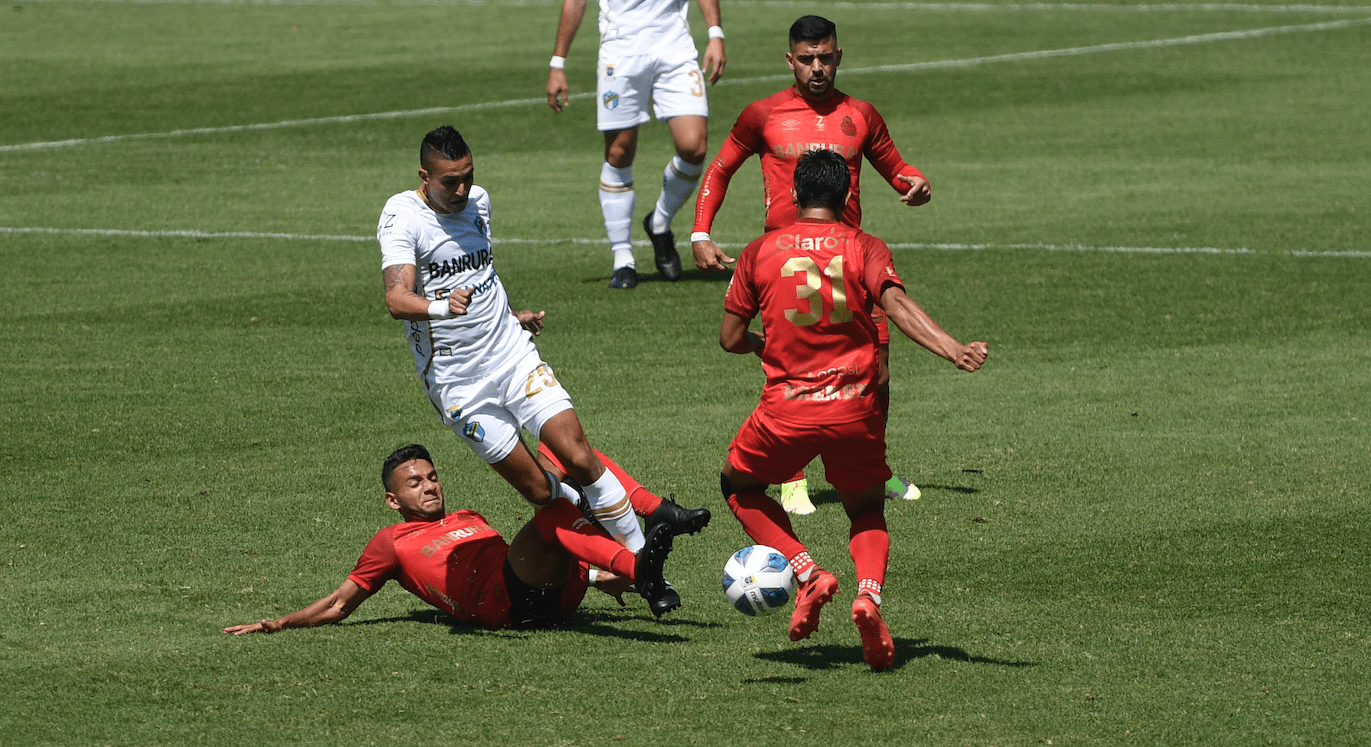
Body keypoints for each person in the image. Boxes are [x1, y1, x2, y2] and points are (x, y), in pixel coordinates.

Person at [376, 126, 707, 616]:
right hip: (458, 382)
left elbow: (483, 276)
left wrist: (511, 317)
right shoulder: (402, 216)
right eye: (450, 182)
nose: (462, 191)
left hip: (511, 354)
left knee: (577, 453)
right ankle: (616, 517)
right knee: (539, 491)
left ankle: (644, 571)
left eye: (468, 178)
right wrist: (444, 307)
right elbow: (396, 299)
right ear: (424, 177)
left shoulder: (479, 203)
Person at [716, 149, 987, 671]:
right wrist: (954, 350)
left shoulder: (758, 252)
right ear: (846, 198)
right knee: (864, 509)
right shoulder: (865, 246)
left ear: (793, 195)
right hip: (854, 411)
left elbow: (730, 339)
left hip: (786, 412)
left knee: (740, 487)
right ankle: (868, 597)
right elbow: (897, 306)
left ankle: (807, 571)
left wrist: (763, 344)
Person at [691, 14, 932, 513]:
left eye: (825, 57)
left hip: (849, 261)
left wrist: (916, 182)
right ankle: (791, 478)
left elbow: (895, 166)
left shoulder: (861, 114)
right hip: (784, 267)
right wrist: (700, 232)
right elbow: (719, 168)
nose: (817, 68)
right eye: (806, 59)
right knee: (789, 368)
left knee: (878, 372)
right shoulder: (763, 113)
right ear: (790, 60)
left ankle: (874, 470)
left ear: (839, 55)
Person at [223, 445, 679, 635]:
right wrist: (278, 623)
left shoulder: (467, 516)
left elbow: (550, 551)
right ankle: (639, 562)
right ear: (392, 499)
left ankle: (649, 523)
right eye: (415, 482)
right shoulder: (392, 541)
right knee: (550, 512)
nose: (429, 486)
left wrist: (599, 578)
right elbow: (339, 604)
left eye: (433, 476)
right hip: (511, 607)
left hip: (559, 596)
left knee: (560, 447)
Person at [546, 0, 727, 289]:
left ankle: (659, 223)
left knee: (694, 147)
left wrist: (715, 33)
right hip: (621, 51)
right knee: (619, 151)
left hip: (675, 49)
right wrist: (558, 63)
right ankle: (623, 259)